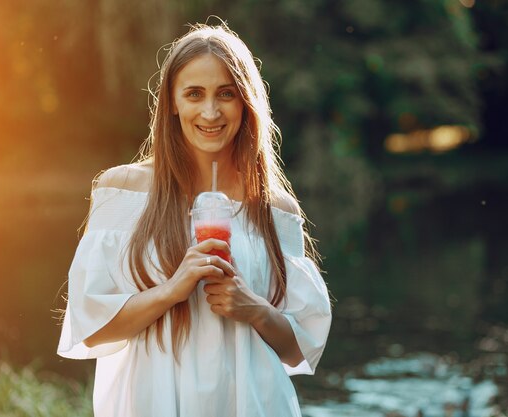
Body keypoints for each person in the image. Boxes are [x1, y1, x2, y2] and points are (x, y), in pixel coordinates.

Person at [57, 21, 331, 417]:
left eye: (226, 94)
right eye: (194, 94)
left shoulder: (274, 209)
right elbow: (93, 327)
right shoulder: (124, 191)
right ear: (172, 102)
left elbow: (298, 350)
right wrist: (172, 290)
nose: (211, 111)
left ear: (246, 102)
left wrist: (253, 308)